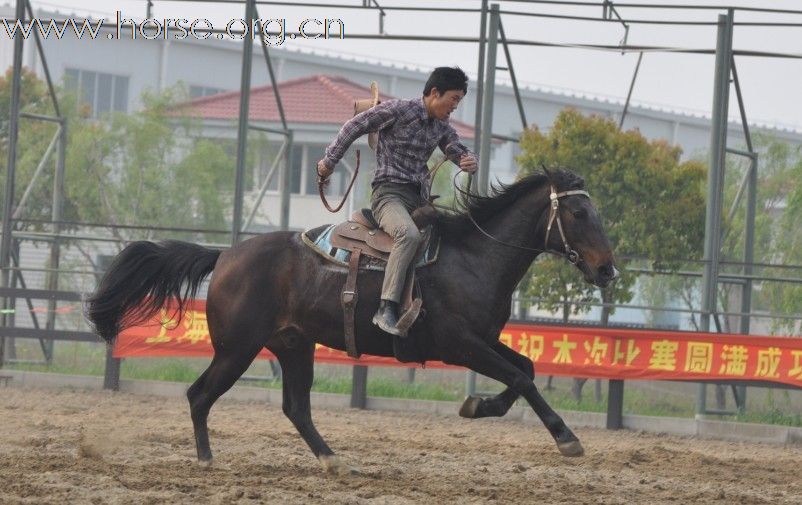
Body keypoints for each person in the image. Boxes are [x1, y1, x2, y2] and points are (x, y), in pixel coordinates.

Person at [317, 66, 478, 339]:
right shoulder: (398, 110)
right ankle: (386, 308)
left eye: (459, 101)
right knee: (408, 235)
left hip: (419, 201)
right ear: (434, 93)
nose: (455, 107)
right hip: (388, 195)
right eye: (453, 99)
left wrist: (465, 158)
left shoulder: (442, 126)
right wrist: (329, 162)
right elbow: (354, 126)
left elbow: (453, 147)